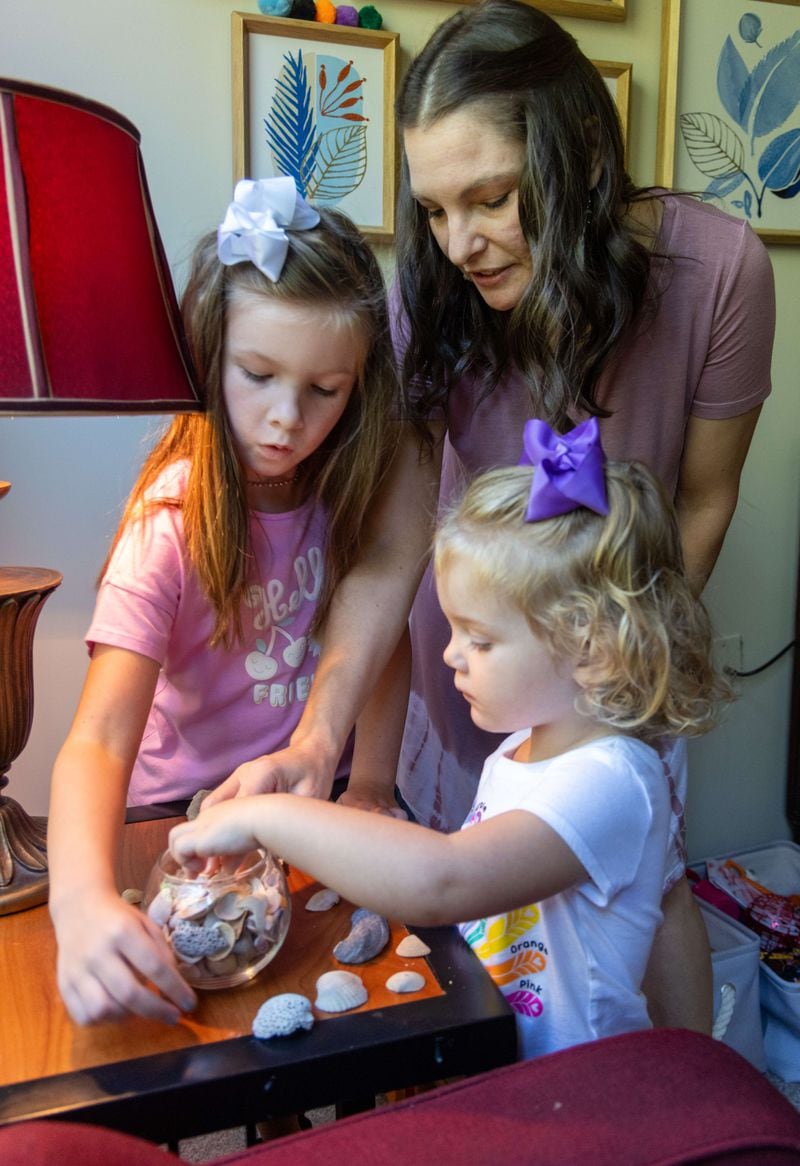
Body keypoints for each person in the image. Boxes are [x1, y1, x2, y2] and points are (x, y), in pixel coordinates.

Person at [200, 0, 776, 1031]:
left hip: (609, 672)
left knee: (648, 893)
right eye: (431, 209)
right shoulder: (430, 303)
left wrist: (613, 677)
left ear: (579, 153)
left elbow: (700, 498)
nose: (457, 241)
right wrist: (323, 735)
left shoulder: (723, 270)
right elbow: (388, 549)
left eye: (491, 199)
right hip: (464, 669)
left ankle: (694, 1102)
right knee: (483, 951)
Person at [169, 420, 732, 1059]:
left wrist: (267, 818)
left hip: (574, 1086)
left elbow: (447, 880)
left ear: (593, 649)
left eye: (481, 639)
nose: (450, 655)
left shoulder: (612, 780)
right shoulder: (525, 748)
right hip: (502, 1053)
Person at [47, 176, 401, 1026]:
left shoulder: (352, 499)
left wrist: (374, 785)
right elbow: (95, 740)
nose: (288, 419)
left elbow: (386, 652)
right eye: (258, 375)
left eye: (326, 390)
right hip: (175, 820)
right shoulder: (167, 524)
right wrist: (81, 903)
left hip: (315, 802)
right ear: (211, 356)